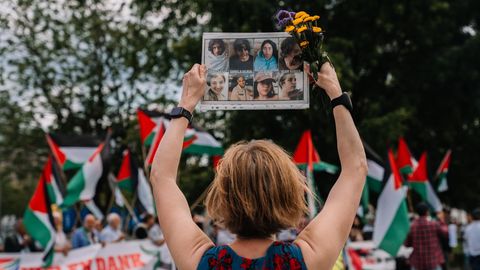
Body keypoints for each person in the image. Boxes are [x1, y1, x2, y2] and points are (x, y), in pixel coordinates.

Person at [149, 62, 367, 269]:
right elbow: (355, 169)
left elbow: (161, 177)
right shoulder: (308, 258)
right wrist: (336, 94)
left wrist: (185, 105)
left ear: (223, 196)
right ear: (289, 193)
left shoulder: (201, 262)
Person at [405, 202, 449, 270]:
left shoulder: (412, 227)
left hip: (418, 263)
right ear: (427, 212)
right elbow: (446, 232)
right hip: (433, 262)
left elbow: (407, 244)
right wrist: (441, 220)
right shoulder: (434, 224)